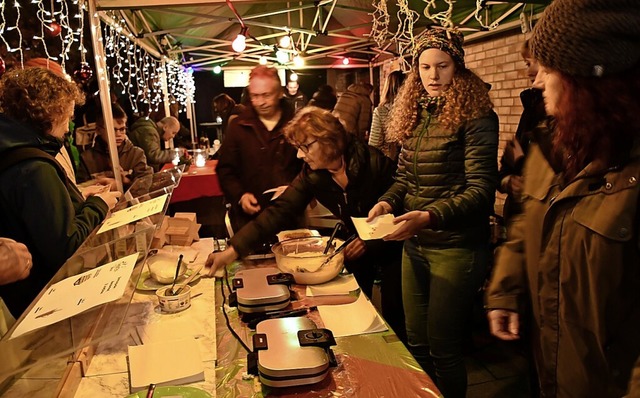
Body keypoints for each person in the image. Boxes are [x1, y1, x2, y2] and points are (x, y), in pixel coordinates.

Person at [485, 0, 640, 396]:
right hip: (551, 372)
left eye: (549, 70)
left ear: (590, 85)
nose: (537, 82)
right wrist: (505, 291)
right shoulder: (552, 147)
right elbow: (525, 230)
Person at [367, 27, 498, 398]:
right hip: (417, 246)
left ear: (458, 65)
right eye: (424, 67)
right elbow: (405, 177)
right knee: (416, 341)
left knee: (444, 348)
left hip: (456, 249)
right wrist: (388, 201)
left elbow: (481, 189)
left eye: (442, 66)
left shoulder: (477, 115)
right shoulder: (417, 112)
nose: (433, 76)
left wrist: (430, 216)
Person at [206, 107, 406, 341]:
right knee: (358, 316)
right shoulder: (312, 175)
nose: (300, 155)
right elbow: (277, 213)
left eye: (306, 147)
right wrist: (232, 251)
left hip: (395, 249)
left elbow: (401, 205)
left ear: (329, 141)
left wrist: (370, 241)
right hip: (355, 245)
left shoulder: (373, 162)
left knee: (396, 320)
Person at [0, 67, 121, 317]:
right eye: (68, 115)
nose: (68, 127)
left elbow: (36, 221)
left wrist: (76, 200)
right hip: (44, 302)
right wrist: (99, 204)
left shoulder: (12, 151)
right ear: (52, 113)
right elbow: (65, 247)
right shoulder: (34, 167)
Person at [216, 65, 302, 236]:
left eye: (266, 95)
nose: (260, 102)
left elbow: (309, 167)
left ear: (279, 93)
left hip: (289, 216)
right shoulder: (238, 126)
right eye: (255, 96)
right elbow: (225, 169)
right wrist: (240, 196)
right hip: (249, 219)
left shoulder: (296, 124)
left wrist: (296, 189)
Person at [498, 38, 546, 224]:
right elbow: (506, 167)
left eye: (538, 63)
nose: (530, 72)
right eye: (528, 63)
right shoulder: (531, 109)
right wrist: (509, 181)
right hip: (521, 218)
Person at [79, 103, 153, 191]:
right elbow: (81, 191)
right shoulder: (87, 158)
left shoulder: (136, 154)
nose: (118, 134)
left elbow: (145, 186)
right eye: (112, 130)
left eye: (122, 129)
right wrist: (99, 183)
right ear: (98, 130)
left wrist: (125, 181)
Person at [368, 70, 405, 161]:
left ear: (387, 87)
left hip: (389, 161)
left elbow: (374, 144)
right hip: (409, 161)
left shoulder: (381, 111)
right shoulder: (413, 109)